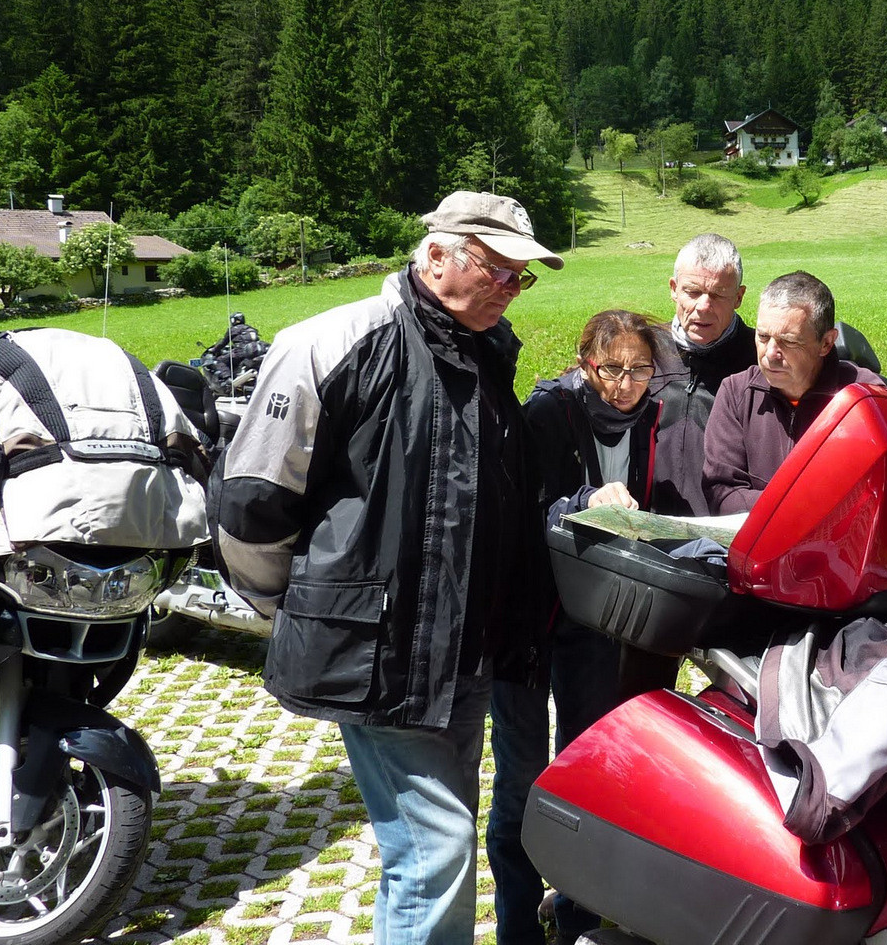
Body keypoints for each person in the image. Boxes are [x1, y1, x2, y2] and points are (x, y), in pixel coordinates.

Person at [217, 191, 560, 945]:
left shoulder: (485, 352)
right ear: (435, 254)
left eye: (521, 279)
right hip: (379, 654)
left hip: (462, 657)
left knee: (427, 844)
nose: (510, 289)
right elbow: (250, 503)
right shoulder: (338, 341)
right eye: (498, 270)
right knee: (435, 848)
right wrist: (303, 609)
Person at [490, 309, 664, 945]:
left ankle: (577, 914)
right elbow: (518, 512)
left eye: (639, 369)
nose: (624, 383)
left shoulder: (654, 418)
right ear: (585, 361)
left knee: (584, 771)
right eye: (610, 368)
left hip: (594, 620)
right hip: (525, 622)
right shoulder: (547, 414)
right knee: (521, 773)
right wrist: (583, 503)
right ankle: (515, 920)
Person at [702, 271, 882, 514]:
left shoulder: (867, 400)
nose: (770, 354)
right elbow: (722, 493)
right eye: (763, 337)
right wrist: (803, 510)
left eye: (788, 342)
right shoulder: (736, 393)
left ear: (826, 343)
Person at [649, 233, 758, 517]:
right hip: (644, 528)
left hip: (725, 536)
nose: (703, 307)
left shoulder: (761, 363)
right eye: (693, 292)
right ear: (674, 289)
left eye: (719, 294)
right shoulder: (640, 351)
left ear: (739, 297)